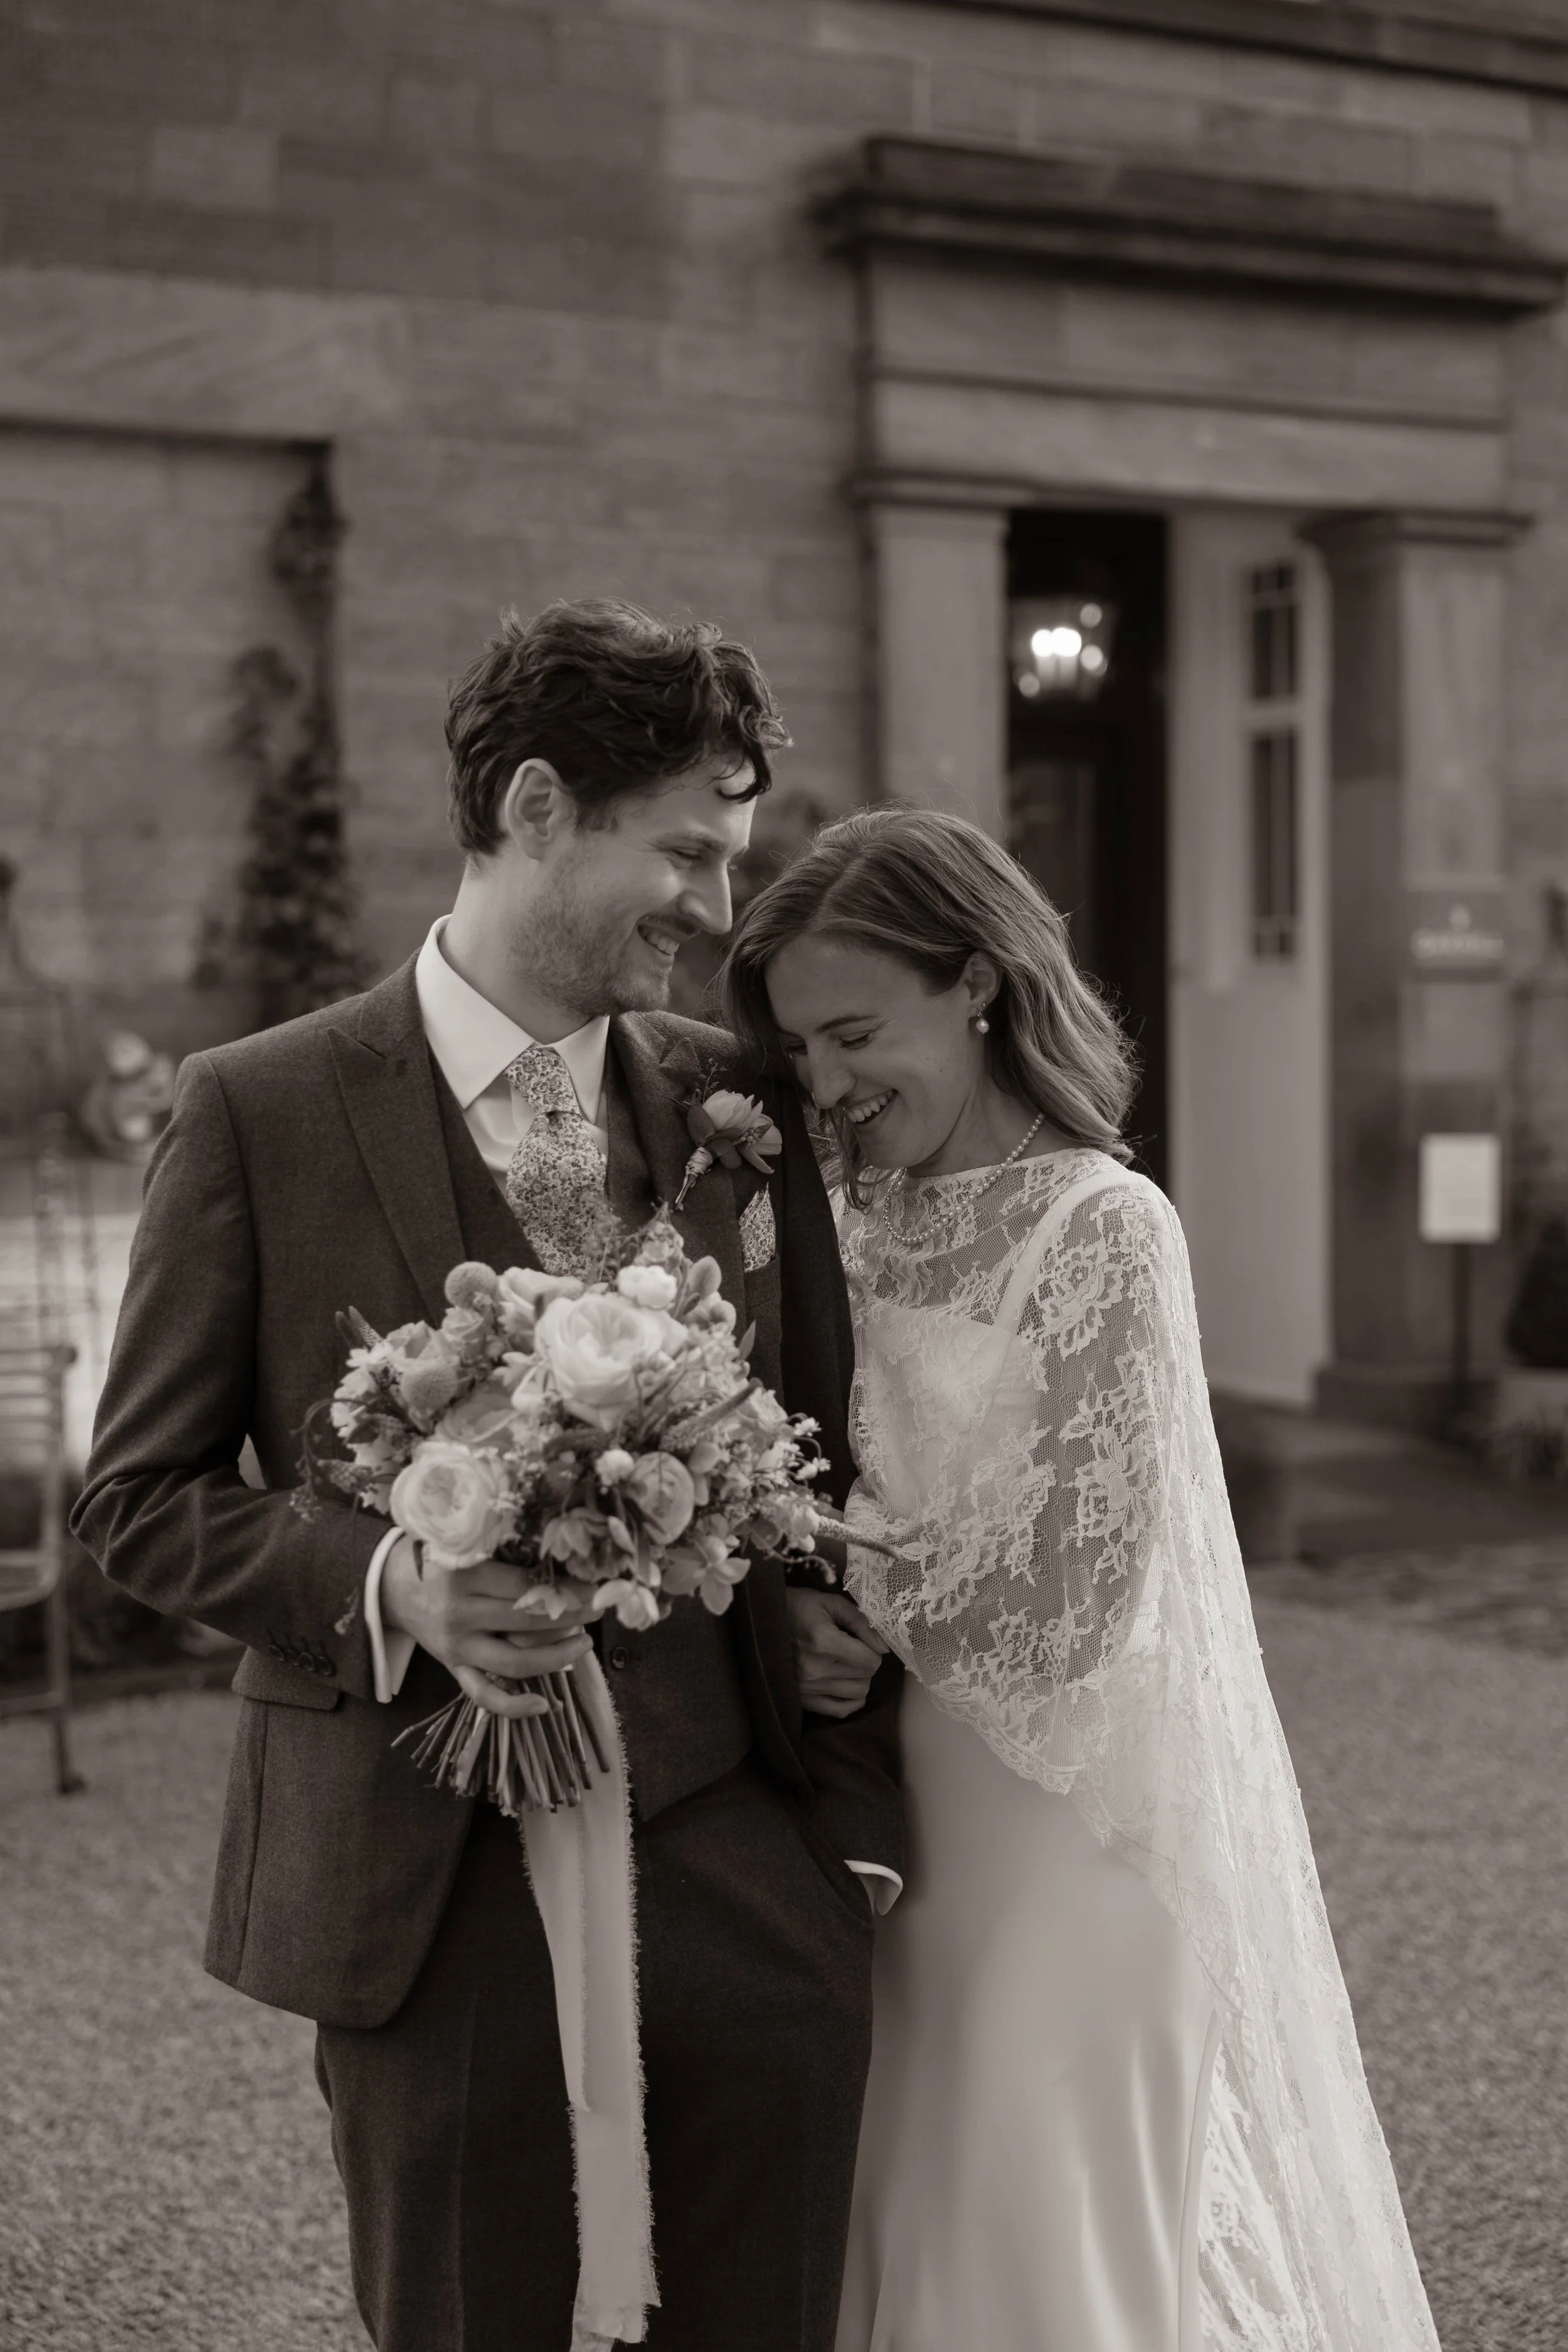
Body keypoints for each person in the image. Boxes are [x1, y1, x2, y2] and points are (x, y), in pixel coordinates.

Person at [72, 601, 903, 2352]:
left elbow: (830, 1446)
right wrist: (394, 1583)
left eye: (730, 857)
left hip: (744, 1877)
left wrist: (844, 1843)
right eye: (684, 851)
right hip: (426, 1897)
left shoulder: (734, 1100)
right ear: (535, 806)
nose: (716, 908)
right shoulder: (259, 1109)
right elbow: (136, 1497)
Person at [723, 805, 1441, 2352]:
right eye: (800, 1050)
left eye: (856, 1034)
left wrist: (845, 1605)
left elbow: (1077, 1593)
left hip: (1057, 1829)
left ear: (976, 983)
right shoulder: (832, 1217)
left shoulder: (1102, 1228)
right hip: (868, 1813)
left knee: (1031, 2221)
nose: (827, 1085)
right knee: (898, 2211)